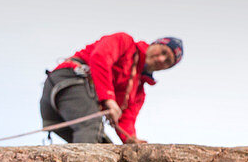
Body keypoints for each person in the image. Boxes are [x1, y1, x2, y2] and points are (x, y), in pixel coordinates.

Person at [40, 33, 183, 144]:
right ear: (155, 44)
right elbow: (100, 57)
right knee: (91, 129)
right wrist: (108, 98)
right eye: (163, 52)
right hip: (68, 79)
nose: (161, 60)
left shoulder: (137, 92)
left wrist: (130, 139)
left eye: (168, 62)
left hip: (59, 112)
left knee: (102, 147)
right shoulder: (125, 43)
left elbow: (126, 118)